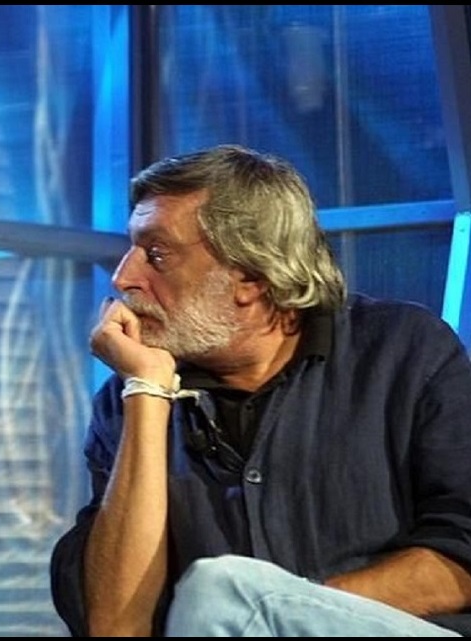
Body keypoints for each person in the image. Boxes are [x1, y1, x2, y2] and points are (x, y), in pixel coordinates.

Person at [49, 144, 471, 636]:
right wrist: (145, 391)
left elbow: (462, 559)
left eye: (157, 255)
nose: (124, 277)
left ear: (249, 276)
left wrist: (281, 615)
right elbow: (115, 626)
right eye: (131, 250)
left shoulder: (404, 351)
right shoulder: (129, 399)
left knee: (218, 592)